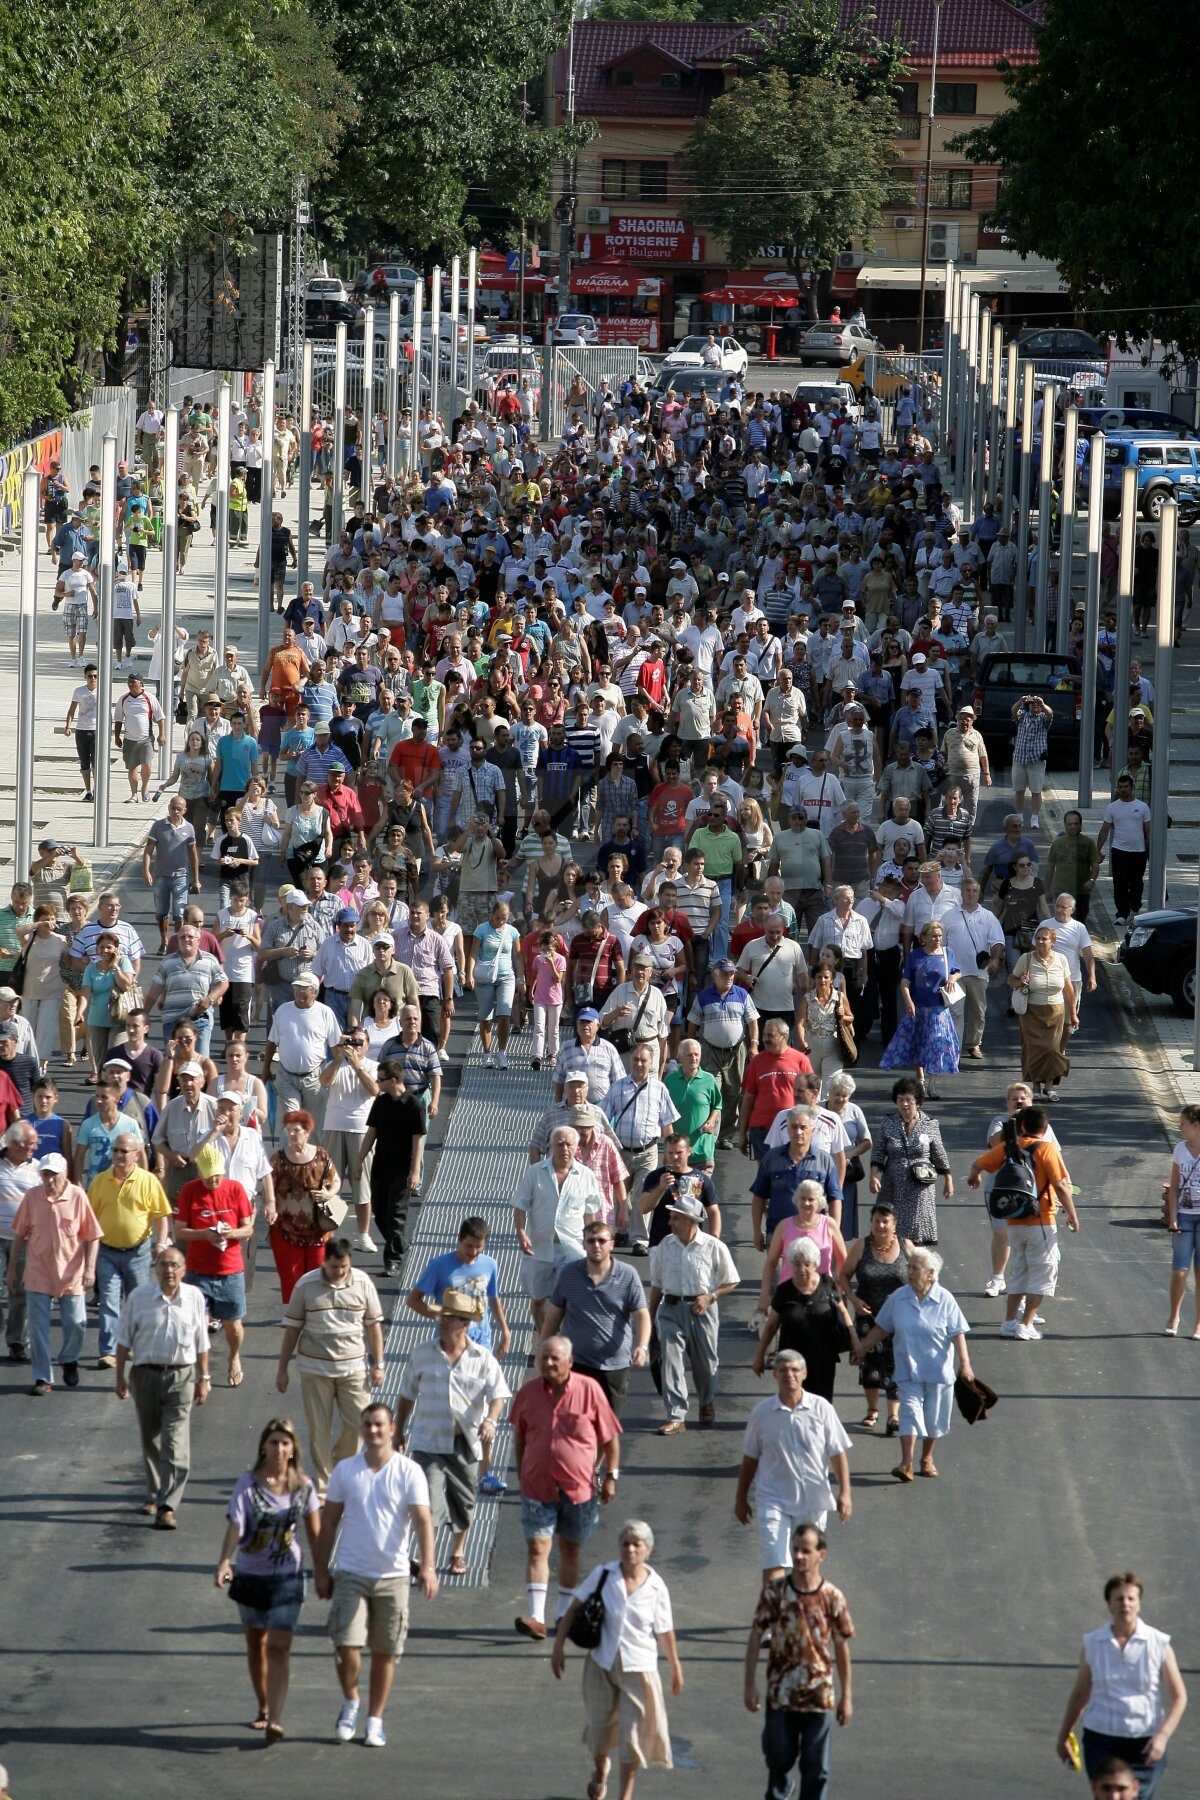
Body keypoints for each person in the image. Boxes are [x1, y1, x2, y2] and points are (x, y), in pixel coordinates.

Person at [312, 1401, 438, 1750]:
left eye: (379, 1424)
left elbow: (423, 1521)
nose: (372, 1430)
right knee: (346, 1644)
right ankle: (351, 1702)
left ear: (392, 1429)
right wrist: (321, 1571)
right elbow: (330, 1523)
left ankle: (375, 1719)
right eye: (367, 1424)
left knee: (385, 1651)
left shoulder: (409, 1472)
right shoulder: (345, 1471)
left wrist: (428, 1567)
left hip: (393, 1576)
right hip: (351, 1571)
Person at [551, 1519, 682, 1800]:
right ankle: (600, 1771)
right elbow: (573, 1610)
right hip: (602, 1665)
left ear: (648, 1550)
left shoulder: (657, 1587)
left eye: (637, 1545)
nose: (630, 1549)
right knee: (599, 1733)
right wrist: (558, 1647)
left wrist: (675, 1668)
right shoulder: (603, 1575)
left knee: (630, 1740)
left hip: (639, 1669)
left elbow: (665, 1631)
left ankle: (625, 1796)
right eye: (625, 1543)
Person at [214, 1417, 322, 1743]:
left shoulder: (303, 1486)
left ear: (293, 1449)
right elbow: (236, 1525)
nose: (279, 1448)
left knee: (278, 1647)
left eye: (285, 1442)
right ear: (263, 1445)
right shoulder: (247, 1484)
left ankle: (275, 1718)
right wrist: (223, 1562)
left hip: (288, 1578)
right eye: (274, 1441)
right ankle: (263, 1706)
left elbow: (315, 1535)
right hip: (250, 1576)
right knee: (256, 1645)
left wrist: (323, 1574)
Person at [510, 1335, 622, 1641]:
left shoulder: (590, 1391)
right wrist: (522, 1475)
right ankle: (535, 1616)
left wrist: (611, 1476)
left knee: (570, 1551)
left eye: (554, 1358)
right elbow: (519, 1436)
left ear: (569, 1362)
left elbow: (610, 1438)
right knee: (538, 1548)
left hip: (579, 1489)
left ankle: (562, 1614)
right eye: (543, 1357)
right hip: (537, 1486)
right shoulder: (528, 1393)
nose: (547, 1363)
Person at [394, 1289, 510, 1577]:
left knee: (464, 1501)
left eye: (451, 1318)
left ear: (466, 1324)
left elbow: (498, 1395)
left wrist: (491, 1421)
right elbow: (407, 1394)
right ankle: (424, 1556)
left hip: (465, 1441)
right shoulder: (422, 1353)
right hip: (428, 1440)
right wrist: (398, 1429)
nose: (443, 1322)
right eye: (442, 1316)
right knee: (426, 1500)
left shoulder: (482, 1358)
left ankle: (457, 1551)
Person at [743, 1523, 855, 1800]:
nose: (799, 1556)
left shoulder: (832, 1597)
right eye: (795, 1550)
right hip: (781, 1695)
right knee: (778, 1761)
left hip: (819, 1697)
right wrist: (750, 1685)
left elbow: (841, 1647)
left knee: (817, 1770)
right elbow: (756, 1635)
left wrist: (846, 1696)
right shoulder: (775, 1593)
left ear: (821, 1555)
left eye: (806, 1550)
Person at [1057, 1572, 1188, 1799]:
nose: (1125, 1604)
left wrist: (1162, 1736)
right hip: (1101, 1739)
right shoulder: (1093, 1644)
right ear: (1109, 1604)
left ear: (1139, 1603)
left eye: (1131, 1598)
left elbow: (1179, 1697)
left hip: (1145, 1743)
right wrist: (1063, 1736)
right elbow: (1080, 1695)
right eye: (1119, 1599)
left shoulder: (1158, 1643)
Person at [852, 1246, 974, 1481]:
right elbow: (882, 1328)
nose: (909, 1271)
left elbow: (958, 1333)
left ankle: (926, 1458)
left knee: (934, 1419)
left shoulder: (945, 1300)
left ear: (930, 1273)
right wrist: (862, 1348)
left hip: (938, 1371)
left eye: (915, 1268)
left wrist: (965, 1364)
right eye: (908, 1267)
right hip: (907, 1370)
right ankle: (906, 1463)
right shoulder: (899, 1298)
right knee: (908, 1414)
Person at [276, 1237, 385, 1496]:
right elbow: (292, 1329)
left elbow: (373, 1326)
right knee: (319, 1430)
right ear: (325, 1262)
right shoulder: (306, 1285)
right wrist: (282, 1369)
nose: (339, 1272)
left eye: (344, 1267)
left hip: (354, 1368)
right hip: (315, 1370)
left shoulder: (362, 1283)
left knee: (359, 1425)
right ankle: (325, 1487)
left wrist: (378, 1364)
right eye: (335, 1267)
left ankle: (340, 1468)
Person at [113, 1244, 211, 1527]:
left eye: (174, 1265)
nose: (169, 1271)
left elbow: (201, 1343)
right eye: (163, 1265)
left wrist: (204, 1378)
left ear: (184, 1270)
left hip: (181, 1376)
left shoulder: (194, 1297)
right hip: (145, 1375)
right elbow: (123, 1340)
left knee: (176, 1440)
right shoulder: (139, 1297)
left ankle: (169, 1504)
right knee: (151, 1438)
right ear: (154, 1269)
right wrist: (120, 1376)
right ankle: (154, 1494)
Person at [735, 1350, 852, 1576]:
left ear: (804, 1374)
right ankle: (775, 1611)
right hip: (773, 1498)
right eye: (783, 1370)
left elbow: (837, 1453)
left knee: (806, 1567)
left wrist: (845, 1493)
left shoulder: (822, 1409)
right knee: (774, 1563)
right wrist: (741, 1498)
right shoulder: (762, 1413)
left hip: (812, 1501)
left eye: (795, 1370)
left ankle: (801, 1609)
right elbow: (750, 1458)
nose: (789, 1375)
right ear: (775, 1375)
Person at [968, 1101, 1077, 1341]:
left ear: (1023, 1125)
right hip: (1042, 1219)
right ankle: (1025, 1324)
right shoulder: (1047, 1149)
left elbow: (980, 1163)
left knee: (1019, 1272)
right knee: (1043, 1272)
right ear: (1045, 1127)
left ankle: (1008, 1323)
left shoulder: (1010, 1146)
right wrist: (1072, 1214)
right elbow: (1060, 1184)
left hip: (1014, 1221)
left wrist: (973, 1176)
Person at [6, 1151, 102, 1394]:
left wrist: (90, 1268)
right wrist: (11, 1271)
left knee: (77, 1323)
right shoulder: (32, 1196)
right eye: (45, 1175)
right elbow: (19, 1234)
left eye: (53, 1176)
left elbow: (93, 1236)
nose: (48, 1181)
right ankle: (42, 1377)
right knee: (37, 1328)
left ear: (64, 1175)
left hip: (71, 1273)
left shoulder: (78, 1196)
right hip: (39, 1271)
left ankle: (69, 1358)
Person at [648, 1192, 740, 1435]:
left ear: (690, 1221)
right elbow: (657, 1283)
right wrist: (649, 1316)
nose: (670, 1223)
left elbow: (731, 1280)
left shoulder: (713, 1246)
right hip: (670, 1309)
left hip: (702, 1311)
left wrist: (711, 1296)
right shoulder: (664, 1247)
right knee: (670, 1360)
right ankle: (676, 1415)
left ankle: (706, 1399)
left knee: (706, 1364)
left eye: (675, 1218)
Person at [540, 1216, 651, 1417]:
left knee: (607, 1428)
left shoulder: (628, 1275)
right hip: (577, 1363)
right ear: (584, 1244)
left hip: (615, 1365)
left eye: (602, 1240)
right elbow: (553, 1317)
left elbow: (642, 1315)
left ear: (612, 1244)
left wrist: (642, 1347)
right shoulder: (569, 1274)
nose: (596, 1245)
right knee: (578, 1423)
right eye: (591, 1241)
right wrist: (543, 1352)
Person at [88, 1135, 171, 1369]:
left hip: (138, 1253)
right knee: (109, 1301)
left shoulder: (148, 1181)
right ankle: (108, 1351)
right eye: (115, 1150)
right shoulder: (100, 1181)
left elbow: (161, 1215)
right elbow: (89, 1219)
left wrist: (161, 1243)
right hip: (107, 1252)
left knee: (137, 1301)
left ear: (136, 1153)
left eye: (124, 1151)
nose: (118, 1155)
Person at [753, 1236, 854, 1403]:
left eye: (807, 1264)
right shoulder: (784, 1291)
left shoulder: (828, 1285)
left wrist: (855, 1344)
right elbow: (771, 1326)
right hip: (791, 1363)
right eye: (797, 1264)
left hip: (823, 1360)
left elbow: (843, 1312)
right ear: (791, 1264)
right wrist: (759, 1357)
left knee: (821, 1405)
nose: (802, 1269)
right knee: (792, 1403)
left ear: (815, 1264)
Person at [355, 1063, 426, 1274]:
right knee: (379, 1211)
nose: (377, 1083)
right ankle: (399, 1243)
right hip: (381, 1165)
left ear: (393, 1080)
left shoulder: (414, 1105)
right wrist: (359, 1161)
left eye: (380, 1079)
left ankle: (392, 1260)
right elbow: (371, 1133)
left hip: (402, 1168)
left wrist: (415, 1171)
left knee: (396, 1213)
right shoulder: (382, 1101)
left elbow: (417, 1141)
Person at [266, 1109, 342, 1302]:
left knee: (318, 1277)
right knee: (291, 1277)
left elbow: (336, 1181)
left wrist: (328, 1193)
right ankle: (295, 1316)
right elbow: (267, 1186)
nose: (291, 1134)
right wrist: (270, 1206)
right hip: (285, 1229)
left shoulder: (321, 1156)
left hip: (317, 1229)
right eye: (288, 1130)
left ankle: (315, 1314)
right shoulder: (278, 1159)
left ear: (307, 1132)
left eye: (296, 1130)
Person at [880, 920, 960, 1099]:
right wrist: (908, 1002)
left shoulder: (947, 953)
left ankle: (933, 1085)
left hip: (938, 1010)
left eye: (939, 935)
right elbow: (905, 982)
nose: (937, 939)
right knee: (919, 1046)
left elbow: (957, 971)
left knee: (937, 1046)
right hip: (919, 1010)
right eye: (933, 935)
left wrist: (953, 978)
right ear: (923, 938)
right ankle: (921, 1081)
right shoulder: (916, 956)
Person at [869, 1077, 951, 1246]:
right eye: (900, 1100)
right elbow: (878, 1151)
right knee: (890, 1229)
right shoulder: (888, 1122)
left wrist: (948, 1179)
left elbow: (939, 1153)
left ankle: (915, 1264)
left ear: (918, 1102)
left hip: (919, 1186)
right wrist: (873, 1176)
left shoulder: (930, 1124)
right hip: (893, 1184)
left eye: (909, 1100)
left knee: (916, 1231)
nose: (905, 1104)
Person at [1009, 922, 1077, 1101]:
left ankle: (1049, 1086)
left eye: (1044, 939)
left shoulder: (1061, 959)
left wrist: (1073, 1013)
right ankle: (1036, 1087)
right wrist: (1021, 981)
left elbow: (1069, 988)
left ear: (1052, 942)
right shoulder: (1027, 958)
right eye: (1037, 938)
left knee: (1052, 1049)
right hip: (1032, 1011)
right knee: (1033, 1049)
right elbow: (1011, 979)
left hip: (1056, 1011)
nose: (1040, 942)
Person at [1097, 774, 1152, 928]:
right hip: (1119, 850)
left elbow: (1148, 832)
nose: (1123, 790)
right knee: (1119, 883)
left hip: (1138, 851)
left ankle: (1134, 909)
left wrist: (1149, 851)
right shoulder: (1112, 807)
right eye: (1120, 787)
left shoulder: (1142, 807)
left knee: (1136, 882)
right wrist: (1098, 850)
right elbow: (1104, 830)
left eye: (1126, 786)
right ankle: (1121, 913)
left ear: (1132, 787)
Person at [1164, 1104, 1200, 1337]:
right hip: (1185, 1216)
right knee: (1179, 1270)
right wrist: (1173, 1217)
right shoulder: (1180, 1149)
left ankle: (1198, 1323)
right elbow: (1174, 1185)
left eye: (1183, 1123)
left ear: (1196, 1126)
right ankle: (1174, 1315)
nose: (1180, 1127)